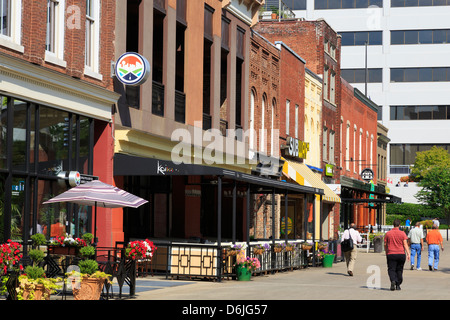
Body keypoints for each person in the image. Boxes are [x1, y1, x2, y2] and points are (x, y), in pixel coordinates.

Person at [384, 219, 410, 291]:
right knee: (399, 269)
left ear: (393, 225)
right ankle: (398, 284)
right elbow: (405, 244)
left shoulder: (388, 233)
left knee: (391, 269)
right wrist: (408, 253)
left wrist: (386, 251)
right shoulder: (402, 233)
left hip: (391, 253)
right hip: (401, 254)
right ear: (399, 225)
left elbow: (385, 244)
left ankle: (393, 280)